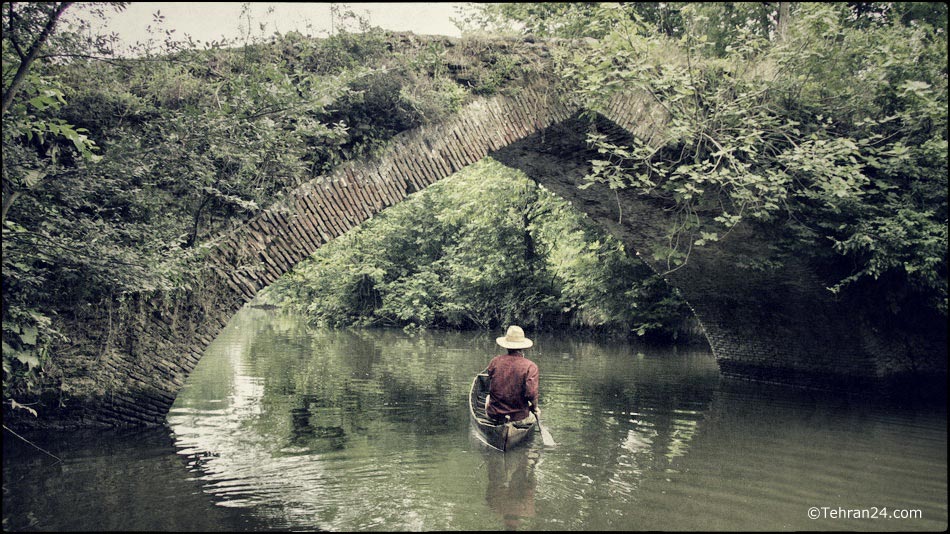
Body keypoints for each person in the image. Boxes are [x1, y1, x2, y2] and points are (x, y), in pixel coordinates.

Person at [485, 325, 540, 427]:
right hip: (519, 418)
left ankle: (499, 427)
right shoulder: (531, 366)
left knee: (487, 398)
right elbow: (531, 394)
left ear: (506, 346)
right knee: (534, 413)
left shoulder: (495, 361)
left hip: (495, 416)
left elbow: (490, 382)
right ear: (523, 347)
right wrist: (535, 408)